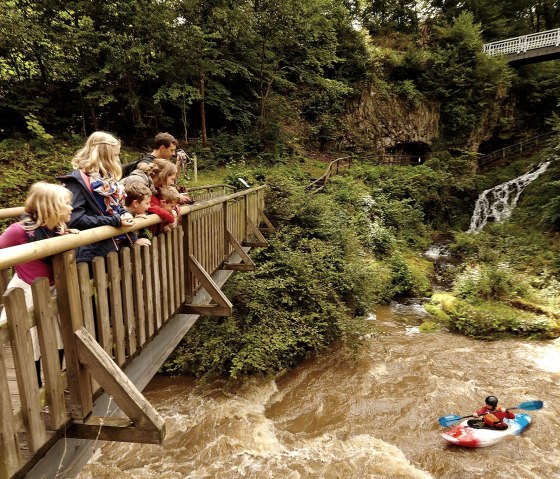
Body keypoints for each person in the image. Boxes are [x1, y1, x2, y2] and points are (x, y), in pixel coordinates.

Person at [0, 182, 78, 387]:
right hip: (25, 289)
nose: (72, 207)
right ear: (51, 207)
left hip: (49, 288)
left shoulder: (58, 228)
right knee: (31, 339)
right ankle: (36, 387)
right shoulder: (19, 231)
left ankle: (59, 381)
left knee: (59, 334)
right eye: (67, 204)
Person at [58, 131, 135, 263]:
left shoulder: (107, 179)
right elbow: (75, 219)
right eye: (115, 155)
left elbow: (115, 207)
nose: (118, 160)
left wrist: (124, 213)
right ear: (103, 156)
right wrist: (113, 221)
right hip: (94, 254)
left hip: (117, 246)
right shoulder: (77, 181)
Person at [121, 132, 193, 204]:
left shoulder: (159, 163)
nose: (174, 154)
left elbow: (170, 179)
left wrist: (178, 162)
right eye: (171, 150)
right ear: (162, 148)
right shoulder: (146, 164)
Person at [120, 182, 152, 247]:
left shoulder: (135, 214)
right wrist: (134, 243)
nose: (150, 206)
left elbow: (149, 236)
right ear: (136, 203)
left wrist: (142, 223)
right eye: (147, 203)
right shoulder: (122, 217)